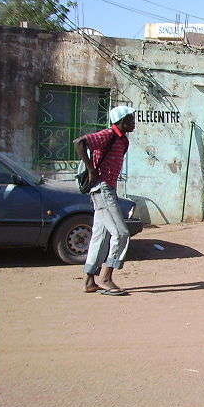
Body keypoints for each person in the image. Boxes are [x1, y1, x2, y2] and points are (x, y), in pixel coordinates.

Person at [73, 105, 136, 296]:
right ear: (122, 121)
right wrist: (91, 169)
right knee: (121, 233)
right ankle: (107, 277)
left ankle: (89, 281)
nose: (134, 123)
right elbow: (79, 142)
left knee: (100, 236)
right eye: (131, 119)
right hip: (103, 189)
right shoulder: (109, 134)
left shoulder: (122, 140)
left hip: (107, 189)